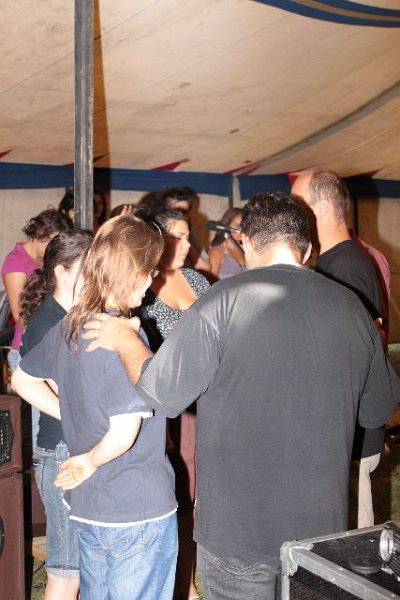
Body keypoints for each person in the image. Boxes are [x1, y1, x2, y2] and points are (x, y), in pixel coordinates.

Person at [80, 192, 398, 600]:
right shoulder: (351, 308)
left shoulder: (221, 302)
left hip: (237, 532)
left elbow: (163, 393)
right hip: (320, 529)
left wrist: (126, 341)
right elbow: (377, 409)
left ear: (246, 242)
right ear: (307, 248)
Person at [12, 216, 178, 600]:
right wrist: (91, 459)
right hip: (135, 507)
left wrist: (71, 413)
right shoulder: (120, 335)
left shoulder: (70, 325)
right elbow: (124, 430)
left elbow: (22, 380)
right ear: (134, 272)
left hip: (89, 508)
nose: (152, 280)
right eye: (151, 270)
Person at [291, 169, 388, 528]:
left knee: (350, 541)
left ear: (319, 208)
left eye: (298, 203)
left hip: (350, 430)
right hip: (345, 428)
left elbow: (354, 356)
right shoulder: (337, 262)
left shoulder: (344, 268)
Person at [19, 230, 92, 600]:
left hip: (69, 447)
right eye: (89, 266)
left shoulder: (68, 316)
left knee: (76, 567)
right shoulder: (49, 322)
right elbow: (53, 388)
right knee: (67, 572)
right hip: (62, 450)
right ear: (63, 271)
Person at [140, 209, 209, 600]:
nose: (186, 244)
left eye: (187, 236)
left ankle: (189, 573)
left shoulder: (197, 280)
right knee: (176, 489)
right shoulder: (142, 286)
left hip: (205, 401)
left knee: (199, 491)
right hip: (168, 409)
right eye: (177, 237)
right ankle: (181, 580)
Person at [208, 207, 246, 279]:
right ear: (226, 226)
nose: (242, 230)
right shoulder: (216, 252)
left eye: (245, 226)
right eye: (238, 226)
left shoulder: (245, 252)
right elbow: (210, 282)